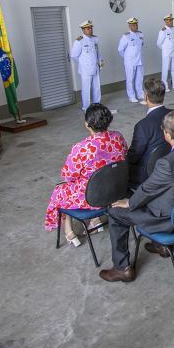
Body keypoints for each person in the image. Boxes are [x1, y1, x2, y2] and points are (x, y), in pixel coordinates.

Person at [100, 111, 174, 282]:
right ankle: (161, 246)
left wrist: (129, 203)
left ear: (167, 134)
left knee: (115, 212)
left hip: (169, 219)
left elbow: (147, 190)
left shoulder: (167, 163)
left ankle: (122, 268)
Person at [45, 104, 127, 244]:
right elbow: (124, 155)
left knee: (60, 190)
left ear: (87, 124)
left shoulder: (82, 148)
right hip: (115, 189)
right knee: (97, 179)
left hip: (91, 196)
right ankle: (95, 222)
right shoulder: (118, 137)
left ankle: (69, 232)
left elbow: (68, 175)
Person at [126, 78, 171, 186]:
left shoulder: (142, 126)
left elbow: (133, 156)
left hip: (148, 174)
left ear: (146, 96)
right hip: (169, 165)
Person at [71, 20, 103, 110]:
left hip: (95, 67)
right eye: (88, 28)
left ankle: (97, 104)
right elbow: (74, 56)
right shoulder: (79, 41)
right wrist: (84, 63)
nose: (90, 30)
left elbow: (97, 52)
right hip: (86, 69)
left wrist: (100, 62)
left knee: (96, 87)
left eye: (91, 28)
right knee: (86, 89)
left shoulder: (95, 39)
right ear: (83, 30)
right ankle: (86, 106)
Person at [117, 17, 146, 103]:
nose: (136, 26)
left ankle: (140, 93)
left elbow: (140, 47)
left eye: (136, 24)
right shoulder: (126, 36)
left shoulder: (141, 34)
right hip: (130, 62)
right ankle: (131, 96)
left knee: (139, 78)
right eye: (133, 25)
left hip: (139, 60)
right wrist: (127, 58)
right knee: (130, 79)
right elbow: (120, 50)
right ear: (129, 26)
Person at [157, 14, 174, 93]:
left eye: (172, 20)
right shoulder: (163, 31)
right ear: (165, 21)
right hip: (166, 53)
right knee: (165, 69)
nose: (171, 21)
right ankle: (164, 85)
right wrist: (165, 50)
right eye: (169, 20)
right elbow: (158, 43)